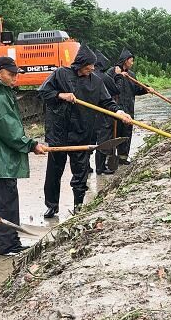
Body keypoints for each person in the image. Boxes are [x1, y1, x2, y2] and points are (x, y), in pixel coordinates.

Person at [39, 44, 133, 218]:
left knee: (81, 170)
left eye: (93, 66)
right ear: (80, 64)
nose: (91, 69)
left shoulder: (96, 81)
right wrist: (61, 95)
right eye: (89, 66)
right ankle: (52, 206)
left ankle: (78, 205)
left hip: (82, 132)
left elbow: (107, 102)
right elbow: (43, 92)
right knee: (54, 172)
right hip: (59, 133)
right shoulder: (60, 74)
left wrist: (119, 112)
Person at [0, 56, 47, 256]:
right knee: (6, 200)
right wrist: (31, 145)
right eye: (11, 74)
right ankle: (9, 244)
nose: (16, 78)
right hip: (0, 159)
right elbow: (9, 130)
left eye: (17, 74)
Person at [106, 48, 150, 165]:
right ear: (125, 61)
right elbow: (106, 89)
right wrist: (118, 76)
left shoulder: (131, 75)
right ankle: (109, 159)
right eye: (131, 60)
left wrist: (146, 89)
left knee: (126, 133)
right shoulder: (111, 72)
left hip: (128, 109)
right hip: (115, 110)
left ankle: (123, 157)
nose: (132, 63)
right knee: (113, 134)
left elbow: (136, 89)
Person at [92, 49, 120, 175]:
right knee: (103, 141)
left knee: (89, 142)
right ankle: (100, 167)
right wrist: (118, 76)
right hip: (103, 114)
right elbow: (115, 90)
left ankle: (86, 167)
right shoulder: (104, 77)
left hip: (89, 115)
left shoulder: (89, 76)